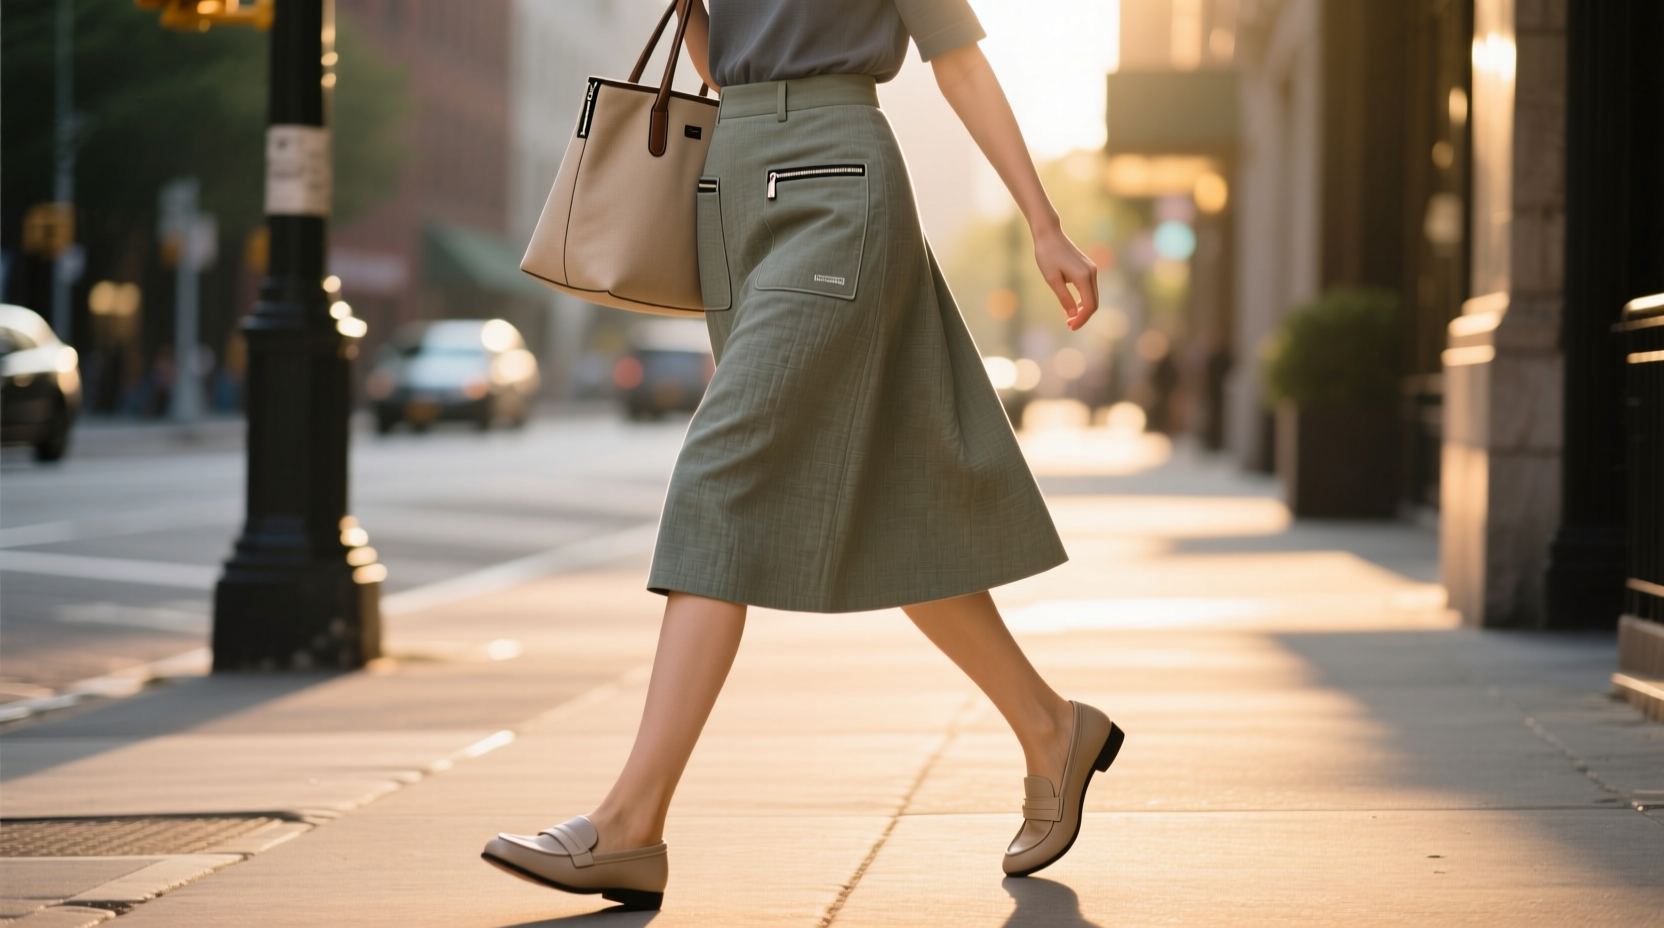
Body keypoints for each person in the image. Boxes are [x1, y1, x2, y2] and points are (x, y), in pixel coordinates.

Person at [482, 0, 1121, 910]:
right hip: (732, 189)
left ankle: (630, 824)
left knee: (717, 483)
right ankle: (1052, 729)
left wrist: (1044, 223)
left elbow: (958, 59)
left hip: (835, 181)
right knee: (897, 508)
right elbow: (716, 51)